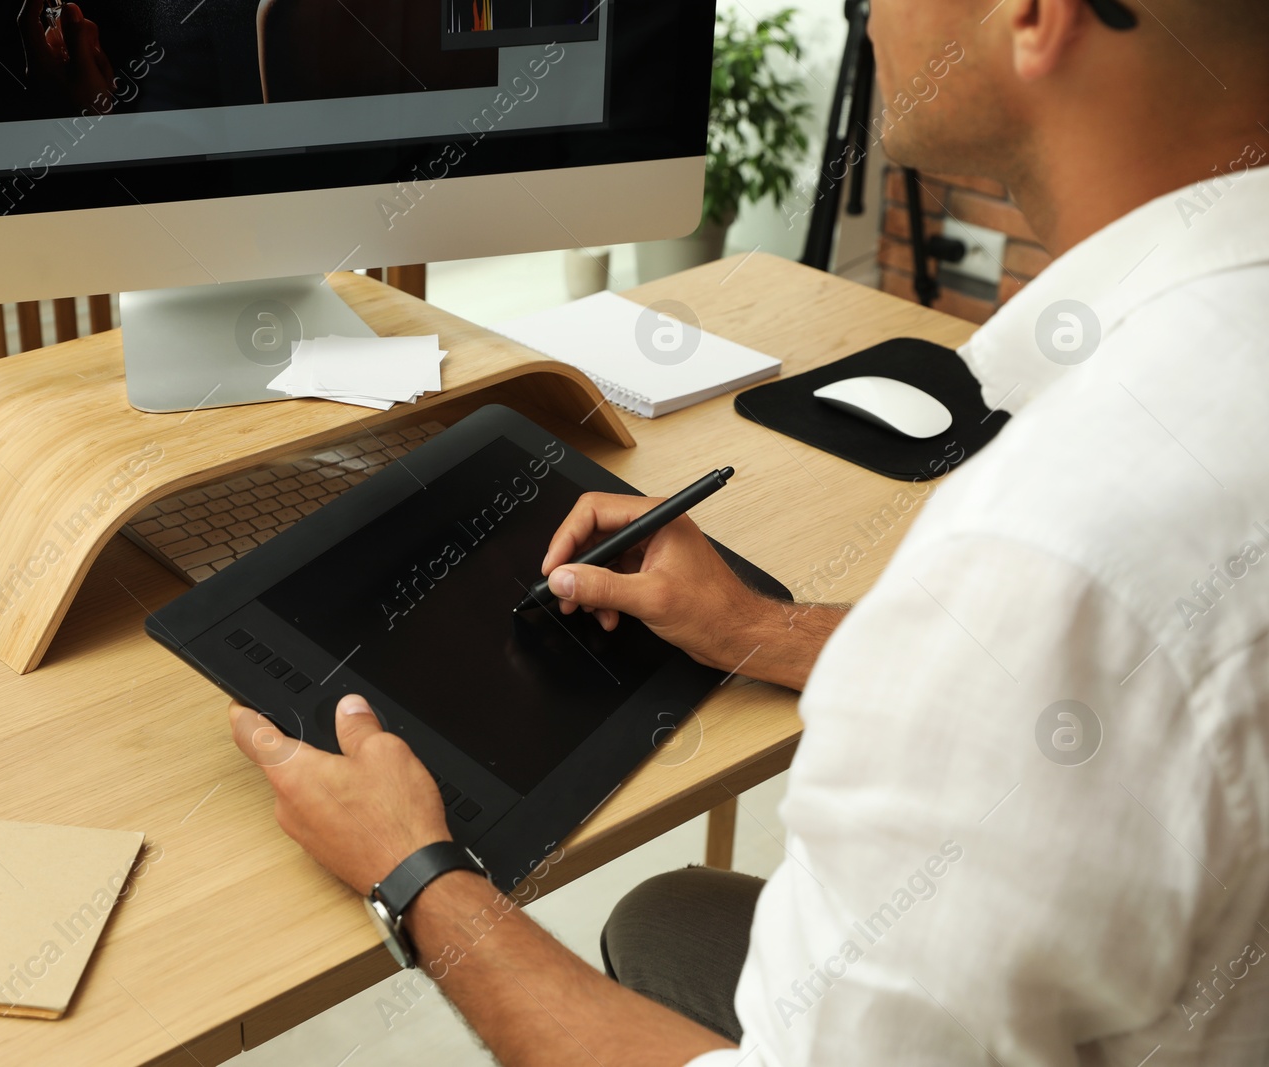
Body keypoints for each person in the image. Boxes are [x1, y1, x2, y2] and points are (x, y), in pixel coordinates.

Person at [228, 0, 1269, 1060]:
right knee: (665, 918)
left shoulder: (1046, 556)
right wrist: (760, 628)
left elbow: (1048, 642)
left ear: (1033, 15)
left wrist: (414, 876)